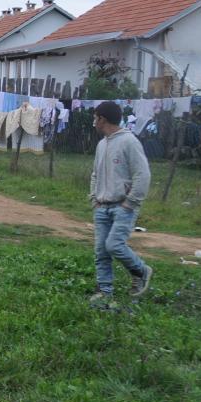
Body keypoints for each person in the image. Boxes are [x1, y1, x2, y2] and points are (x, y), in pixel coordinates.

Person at [89, 100, 153, 309]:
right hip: (102, 206)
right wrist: (94, 199)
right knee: (101, 251)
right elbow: (95, 174)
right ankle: (104, 291)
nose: (94, 121)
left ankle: (140, 271)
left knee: (114, 245)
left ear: (102, 119)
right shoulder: (102, 144)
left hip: (123, 206)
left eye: (95, 117)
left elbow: (142, 174)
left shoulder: (129, 141)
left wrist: (130, 202)